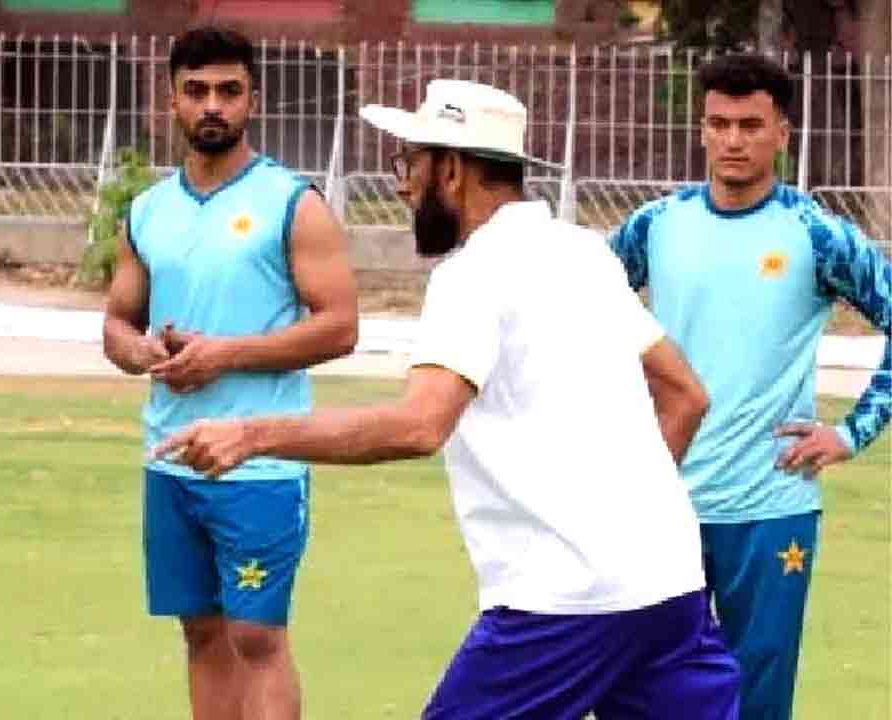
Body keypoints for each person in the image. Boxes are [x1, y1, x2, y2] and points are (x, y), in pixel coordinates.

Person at [155, 79, 742, 719]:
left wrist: (252, 435)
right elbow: (685, 395)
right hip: (670, 583)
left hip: (563, 602)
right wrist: (621, 520)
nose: (402, 185)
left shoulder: (471, 275)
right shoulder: (583, 250)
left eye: (411, 163)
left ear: (453, 171)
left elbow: (419, 425)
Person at [607, 53, 892, 718]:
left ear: (782, 133)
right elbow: (575, 316)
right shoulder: (656, 225)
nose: (733, 140)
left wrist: (852, 433)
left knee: (757, 697)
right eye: (719, 124)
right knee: (643, 691)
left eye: (750, 125)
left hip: (770, 508)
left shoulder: (817, 234)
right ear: (702, 130)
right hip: (658, 501)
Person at [101, 25, 358, 720]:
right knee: (202, 632)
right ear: (171, 100)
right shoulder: (147, 211)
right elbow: (117, 325)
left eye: (228, 91)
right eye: (196, 90)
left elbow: (340, 327)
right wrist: (142, 353)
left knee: (257, 635)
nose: (212, 105)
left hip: (260, 462)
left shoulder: (293, 203)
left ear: (253, 99)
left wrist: (225, 354)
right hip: (170, 457)